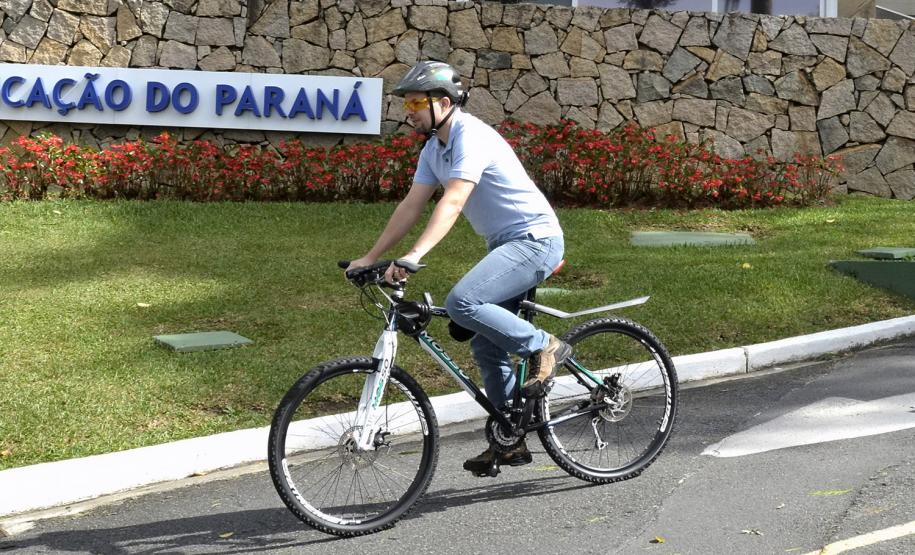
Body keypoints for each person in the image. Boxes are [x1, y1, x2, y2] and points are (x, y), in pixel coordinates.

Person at [345, 61, 570, 474]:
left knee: (464, 302)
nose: (407, 110)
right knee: (486, 342)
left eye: (415, 101)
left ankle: (543, 346)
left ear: (444, 103)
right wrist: (371, 257)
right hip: (506, 244)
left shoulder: (472, 136)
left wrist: (413, 257)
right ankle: (511, 439)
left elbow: (453, 200)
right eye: (406, 103)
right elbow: (412, 204)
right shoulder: (434, 149)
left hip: (535, 241)